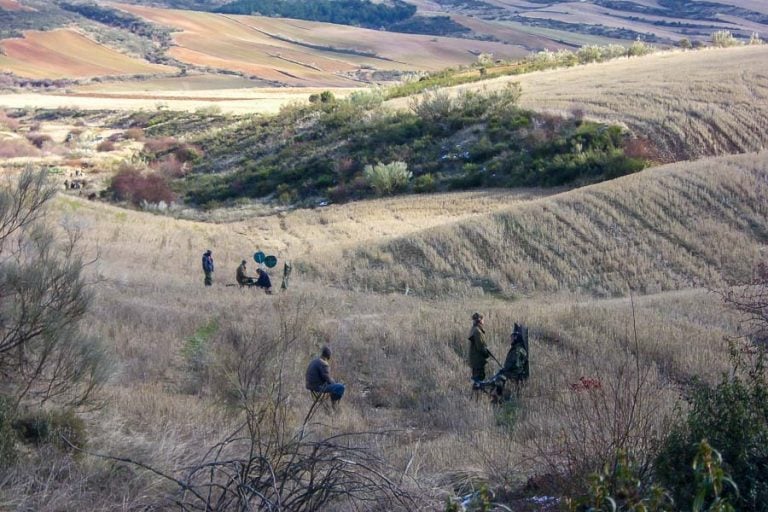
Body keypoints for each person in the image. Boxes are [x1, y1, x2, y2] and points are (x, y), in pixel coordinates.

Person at [500, 323, 529, 397]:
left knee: (499, 379)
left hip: (515, 374)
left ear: (516, 338)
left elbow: (516, 364)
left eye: (512, 337)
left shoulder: (517, 350)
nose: (511, 339)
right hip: (514, 373)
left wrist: (506, 369)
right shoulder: (517, 348)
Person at [468, 312, 490, 382]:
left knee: (476, 378)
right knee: (479, 379)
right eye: (483, 319)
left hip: (475, 359)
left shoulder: (474, 329)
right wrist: (486, 354)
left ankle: (476, 391)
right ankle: (477, 392)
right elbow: (480, 347)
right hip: (478, 360)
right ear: (480, 321)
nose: (484, 321)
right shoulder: (477, 331)